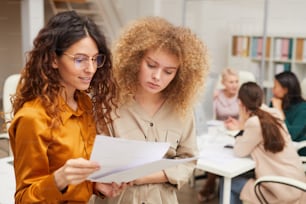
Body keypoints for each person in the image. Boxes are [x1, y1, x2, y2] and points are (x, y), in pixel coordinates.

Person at [8, 11, 124, 203]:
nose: (91, 69)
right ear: (54, 59)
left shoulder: (84, 103)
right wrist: (59, 179)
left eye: (95, 59)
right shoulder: (33, 118)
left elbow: (77, 177)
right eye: (80, 59)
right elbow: (24, 199)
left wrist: (95, 185)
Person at [94, 16, 210, 204]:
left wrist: (143, 177)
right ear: (135, 59)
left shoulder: (182, 111)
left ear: (179, 75)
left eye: (168, 71)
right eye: (151, 65)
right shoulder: (109, 104)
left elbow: (189, 160)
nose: (157, 76)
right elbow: (94, 161)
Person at [220, 82, 306, 204]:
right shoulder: (274, 114)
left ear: (240, 102)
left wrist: (238, 130)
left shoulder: (254, 123)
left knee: (229, 182)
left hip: (282, 190)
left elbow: (239, 151)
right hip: (298, 185)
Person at [198, 67, 240, 202]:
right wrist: (210, 98)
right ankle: (214, 185)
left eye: (236, 81)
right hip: (219, 131)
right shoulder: (217, 95)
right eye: (231, 82)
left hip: (236, 132)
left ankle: (210, 186)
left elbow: (246, 118)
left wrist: (236, 124)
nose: (234, 85)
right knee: (213, 155)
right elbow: (209, 115)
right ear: (223, 83)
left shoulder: (242, 96)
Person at [270, 71, 306, 156]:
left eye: (275, 86)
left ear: (285, 90)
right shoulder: (276, 102)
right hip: (277, 144)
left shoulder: (303, 108)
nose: (272, 89)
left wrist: (279, 111)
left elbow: (291, 135)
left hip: (297, 149)